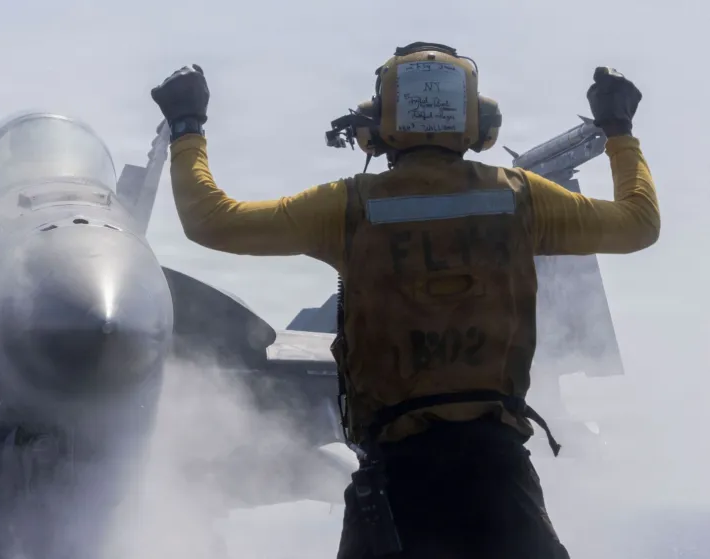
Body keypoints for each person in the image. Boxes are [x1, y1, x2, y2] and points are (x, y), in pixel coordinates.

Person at [151, 42, 657, 558]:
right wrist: (619, 130)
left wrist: (188, 126)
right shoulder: (522, 197)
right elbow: (639, 223)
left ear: (374, 128)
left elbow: (212, 220)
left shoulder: (346, 207)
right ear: (481, 127)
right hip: (500, 478)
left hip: (397, 480)